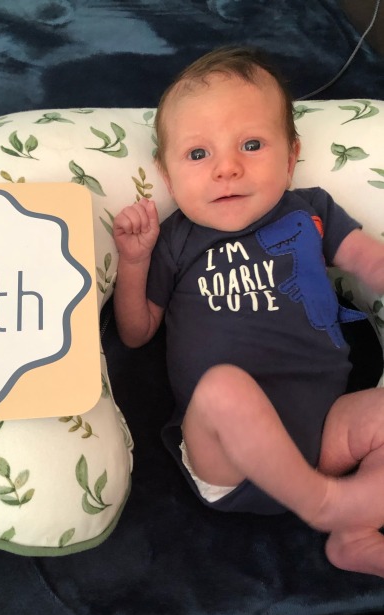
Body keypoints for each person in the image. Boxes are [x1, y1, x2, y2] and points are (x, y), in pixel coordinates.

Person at [112, 45, 384, 579]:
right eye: (198, 154)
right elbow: (137, 332)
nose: (227, 169)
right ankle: (323, 505)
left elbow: (369, 261)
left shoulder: (311, 210)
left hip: (325, 433)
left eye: (252, 145)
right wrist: (134, 261)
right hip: (227, 457)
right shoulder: (176, 240)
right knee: (223, 389)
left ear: (290, 157)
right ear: (166, 176)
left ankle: (355, 533)